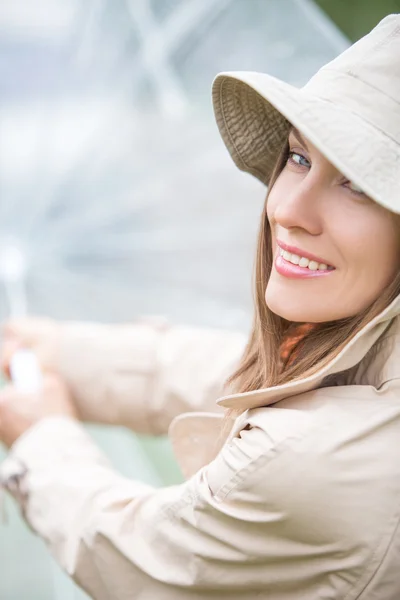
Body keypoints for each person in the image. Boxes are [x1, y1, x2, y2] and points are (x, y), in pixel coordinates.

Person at [0, 14, 400, 600]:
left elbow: (137, 555)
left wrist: (41, 436)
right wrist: (58, 353)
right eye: (298, 157)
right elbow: (260, 376)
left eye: (358, 185)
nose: (288, 209)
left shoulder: (309, 462)